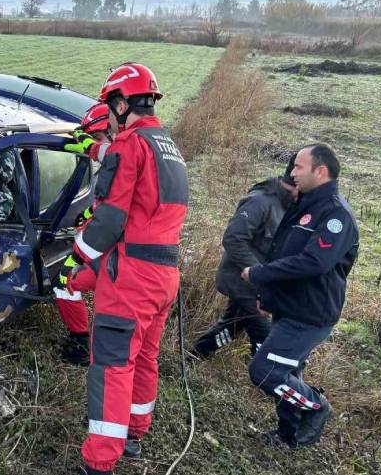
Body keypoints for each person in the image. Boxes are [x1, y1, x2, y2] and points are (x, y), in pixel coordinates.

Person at [60, 63, 188, 475]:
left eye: (110, 107)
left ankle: (99, 462)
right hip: (164, 274)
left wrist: (76, 258)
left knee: (112, 367)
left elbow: (110, 219)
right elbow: (137, 178)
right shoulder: (166, 145)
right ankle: (135, 432)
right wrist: (93, 149)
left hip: (131, 276)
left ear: (120, 103)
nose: (110, 118)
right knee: (145, 357)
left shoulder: (128, 145)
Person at [243, 143, 358, 448]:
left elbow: (313, 262)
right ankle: (288, 436)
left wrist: (259, 275)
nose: (292, 173)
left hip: (310, 315)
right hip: (290, 306)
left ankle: (316, 407)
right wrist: (269, 297)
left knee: (266, 371)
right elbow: (282, 250)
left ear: (320, 171)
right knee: (288, 371)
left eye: (298, 167)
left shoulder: (335, 214)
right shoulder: (306, 205)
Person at [193, 155, 298, 359]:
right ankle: (265, 381)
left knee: (232, 327)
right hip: (241, 283)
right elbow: (233, 239)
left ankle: (194, 355)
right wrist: (260, 274)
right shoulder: (261, 201)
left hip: (261, 286)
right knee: (266, 338)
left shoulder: (292, 206)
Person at [52, 102, 113, 366]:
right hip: (113, 252)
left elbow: (111, 217)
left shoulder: (119, 162)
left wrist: (76, 259)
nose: (95, 147)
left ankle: (81, 345)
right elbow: (103, 206)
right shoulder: (119, 158)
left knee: (65, 282)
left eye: (98, 139)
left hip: (114, 255)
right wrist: (86, 216)